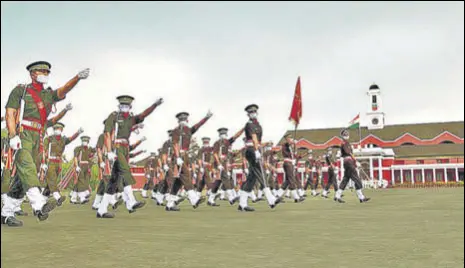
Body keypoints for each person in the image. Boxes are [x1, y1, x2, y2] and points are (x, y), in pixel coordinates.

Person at [1, 61, 90, 227]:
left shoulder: (47, 94)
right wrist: (13, 135)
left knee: (23, 177)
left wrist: (77, 78)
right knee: (26, 166)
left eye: (47, 71)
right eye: (42, 71)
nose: (46, 74)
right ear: (32, 74)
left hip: (39, 137)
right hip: (23, 134)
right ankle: (39, 205)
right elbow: (10, 113)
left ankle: (6, 213)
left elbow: (63, 90)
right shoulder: (21, 90)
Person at [97, 95, 163, 218]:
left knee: (113, 181)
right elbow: (107, 133)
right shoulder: (114, 116)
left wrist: (155, 105)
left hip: (125, 149)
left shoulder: (131, 119)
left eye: (126, 106)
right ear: (119, 106)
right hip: (116, 147)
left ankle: (101, 210)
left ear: (130, 107)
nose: (124, 107)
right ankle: (131, 202)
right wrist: (110, 151)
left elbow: (143, 115)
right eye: (122, 105)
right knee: (126, 170)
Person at [165, 111, 213, 212]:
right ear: (179, 121)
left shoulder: (188, 130)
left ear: (187, 120)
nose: (183, 121)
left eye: (184, 119)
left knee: (178, 182)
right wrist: (178, 157)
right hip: (179, 156)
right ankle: (194, 199)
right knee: (186, 175)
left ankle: (169, 204)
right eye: (181, 119)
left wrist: (206, 118)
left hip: (185, 156)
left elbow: (197, 126)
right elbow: (175, 144)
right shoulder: (176, 130)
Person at [238, 104, 282, 212]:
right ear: (248, 114)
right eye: (250, 112)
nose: (253, 113)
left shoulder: (258, 125)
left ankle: (242, 204)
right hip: (251, 150)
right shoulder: (249, 125)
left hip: (255, 149)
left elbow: (258, 141)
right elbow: (253, 139)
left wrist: (265, 144)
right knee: (261, 172)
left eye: (254, 111)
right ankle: (271, 199)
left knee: (252, 178)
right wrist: (257, 151)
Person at [43, 123, 83, 206]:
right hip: (50, 161)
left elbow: (71, 139)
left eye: (59, 129)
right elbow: (44, 151)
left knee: (50, 183)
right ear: (53, 129)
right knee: (52, 180)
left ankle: (42, 200)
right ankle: (58, 197)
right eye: (56, 128)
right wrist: (43, 163)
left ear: (61, 130)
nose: (57, 130)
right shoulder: (49, 139)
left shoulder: (63, 139)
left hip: (58, 163)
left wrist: (78, 133)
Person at [334, 129, 371, 204]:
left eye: (347, 133)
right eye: (345, 134)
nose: (347, 135)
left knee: (345, 179)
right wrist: (355, 161)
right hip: (348, 162)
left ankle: (337, 196)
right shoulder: (345, 143)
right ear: (342, 136)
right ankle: (361, 197)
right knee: (356, 179)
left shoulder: (346, 143)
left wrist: (354, 162)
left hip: (348, 162)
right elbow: (349, 153)